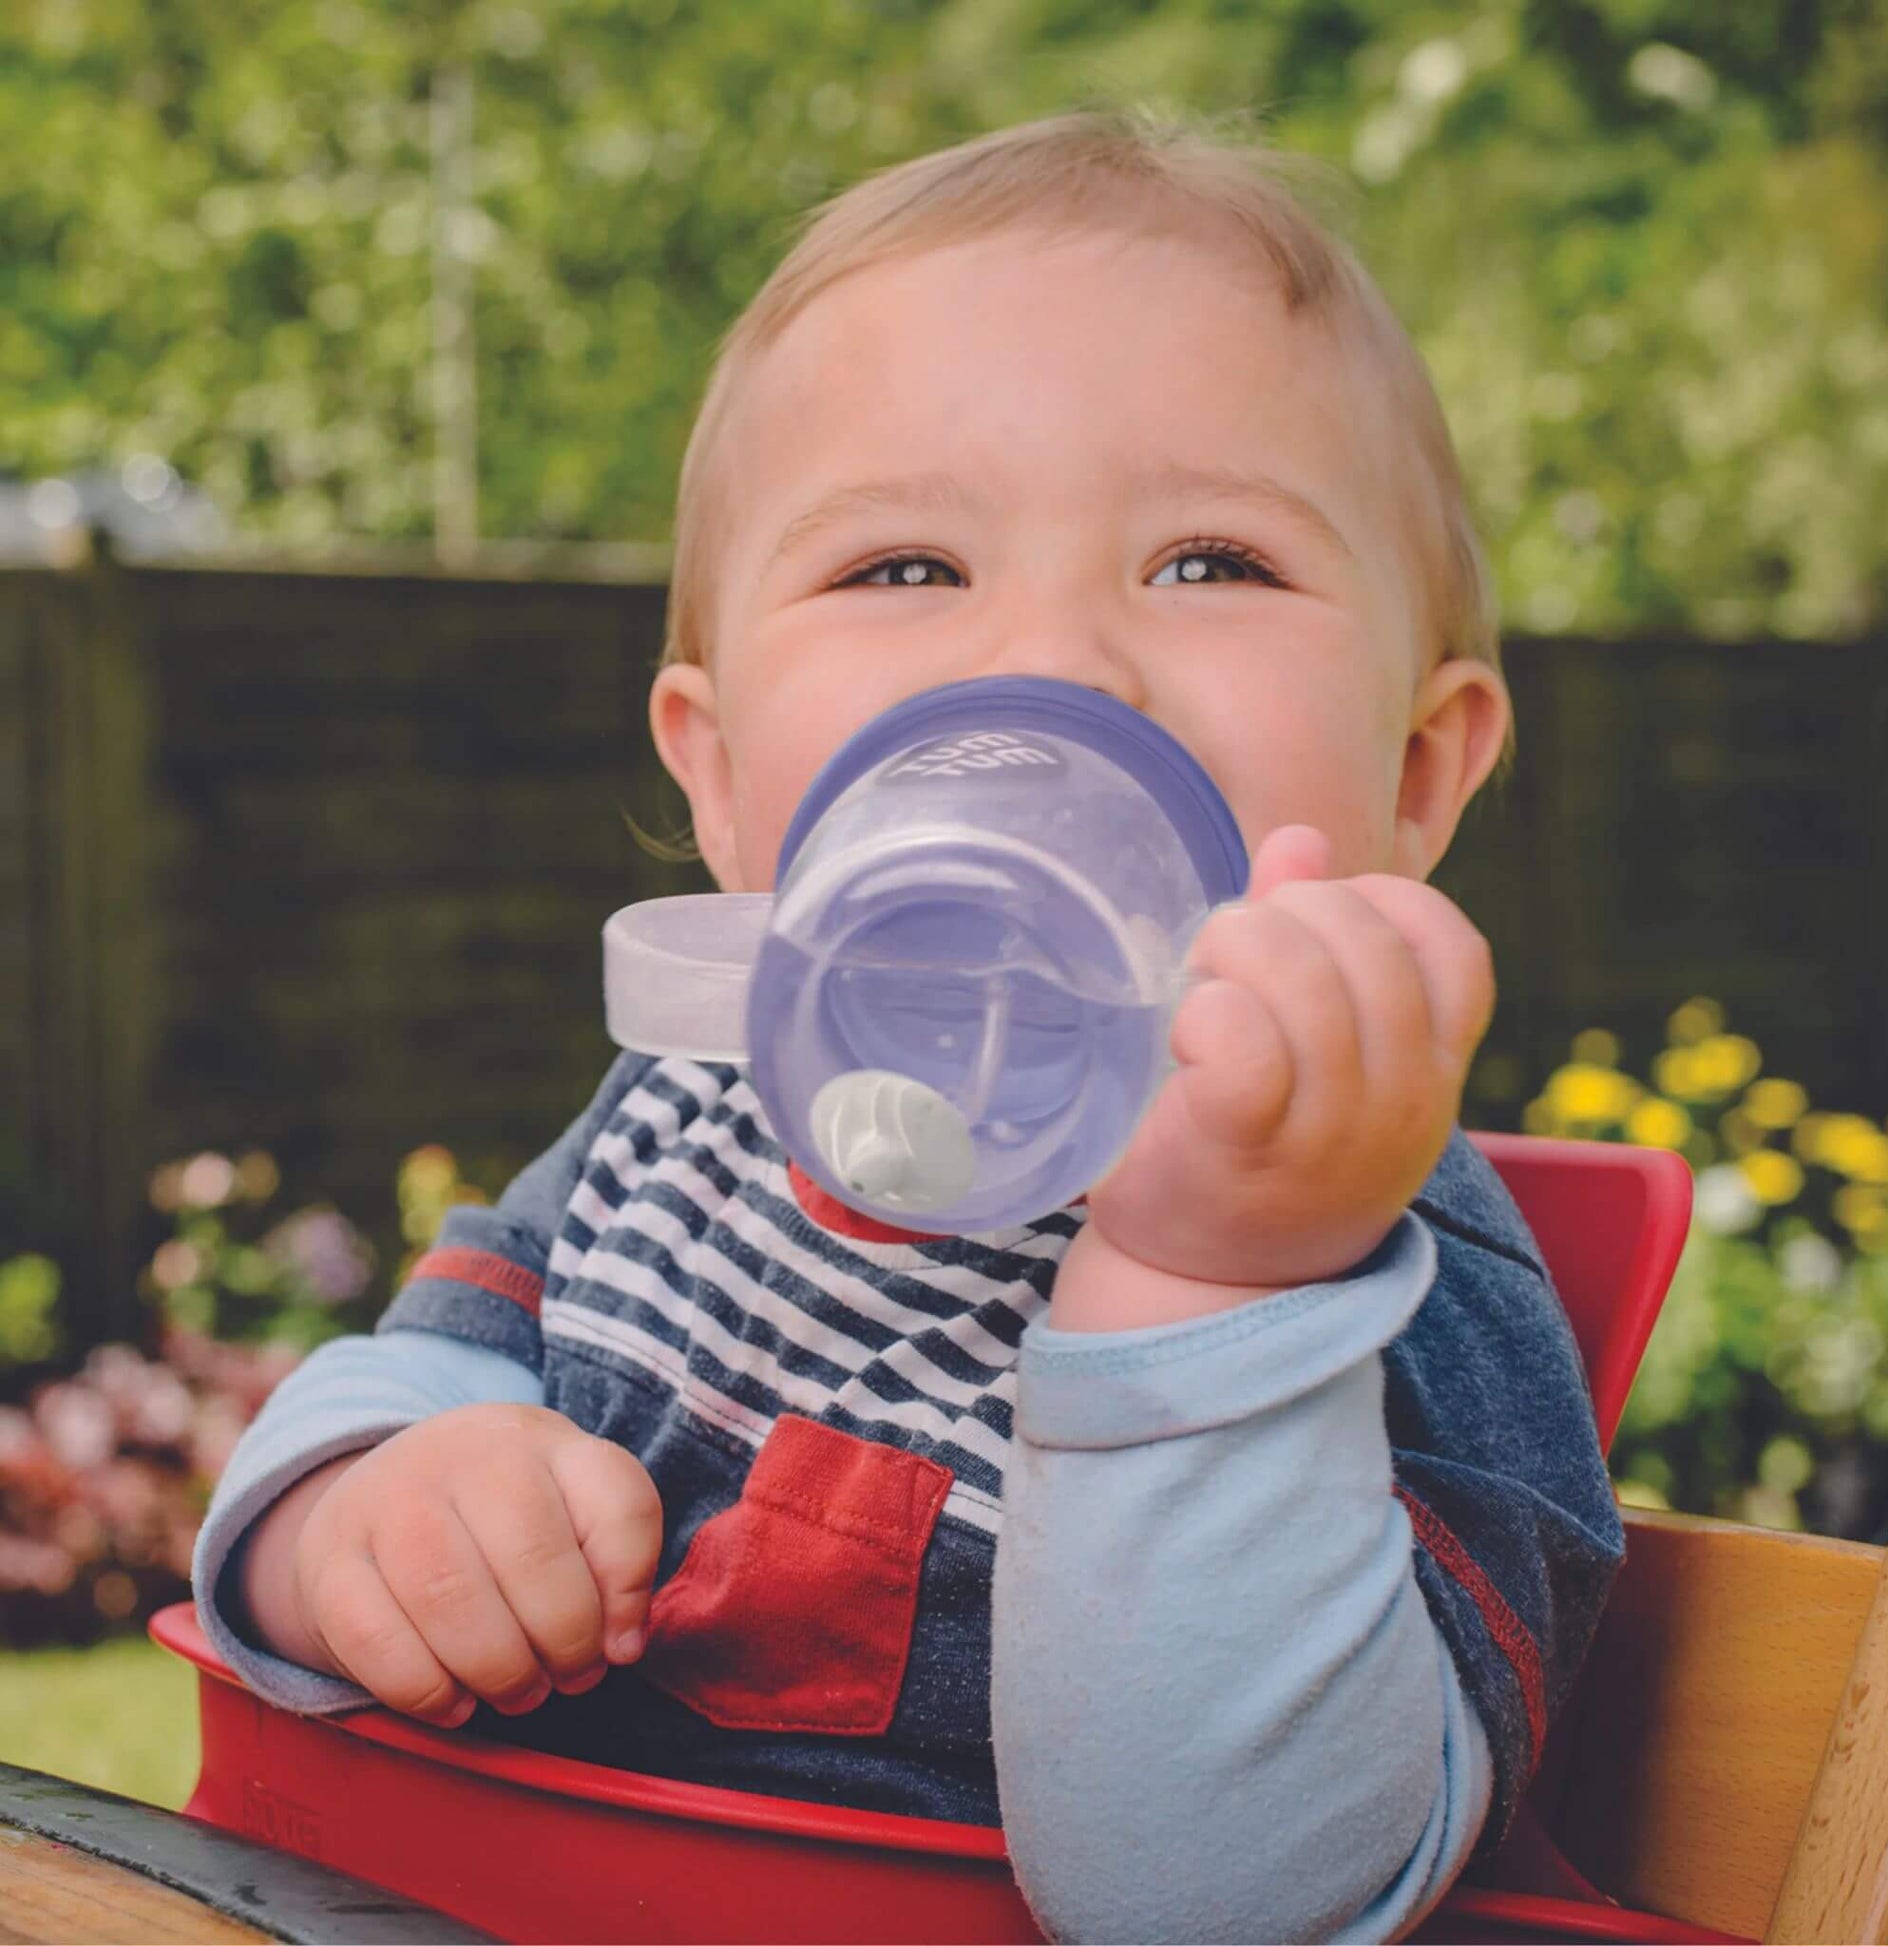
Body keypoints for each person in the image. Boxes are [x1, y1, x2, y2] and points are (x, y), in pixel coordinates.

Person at [193, 111, 1622, 1943]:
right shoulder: (678, 1121)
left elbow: (1228, 1898)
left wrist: (1215, 1280)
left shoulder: (1395, 1276)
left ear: (1416, 774)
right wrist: (375, 1510)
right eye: (904, 569)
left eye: (1205, 562)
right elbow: (414, 1375)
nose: (1047, 662)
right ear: (718, 782)